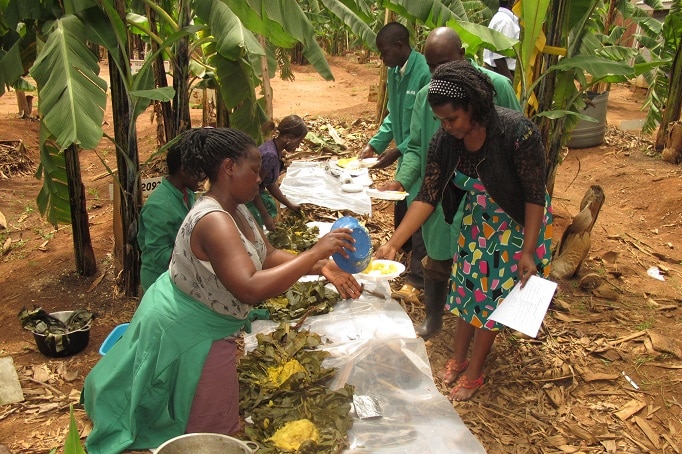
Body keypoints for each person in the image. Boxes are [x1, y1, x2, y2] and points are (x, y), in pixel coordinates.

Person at [82, 127, 363, 453]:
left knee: (206, 410)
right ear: (229, 167)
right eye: (255, 171)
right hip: (188, 327)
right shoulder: (214, 219)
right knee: (212, 428)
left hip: (205, 322)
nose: (260, 180)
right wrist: (315, 253)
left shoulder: (238, 208)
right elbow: (249, 288)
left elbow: (267, 255)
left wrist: (322, 266)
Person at [374, 60, 552, 401]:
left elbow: (533, 196)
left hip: (516, 223)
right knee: (467, 290)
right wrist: (395, 244)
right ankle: (458, 357)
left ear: (472, 105)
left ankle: (473, 374)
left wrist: (527, 250)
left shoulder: (516, 132)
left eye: (452, 118)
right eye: (441, 120)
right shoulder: (446, 140)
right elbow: (427, 196)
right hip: (477, 220)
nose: (446, 126)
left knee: (489, 302)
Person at [380, 27, 522, 339]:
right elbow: (418, 148)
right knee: (437, 256)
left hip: (488, 197)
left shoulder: (497, 86)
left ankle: (482, 325)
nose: (438, 73)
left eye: (444, 64)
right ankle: (434, 318)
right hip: (443, 191)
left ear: (462, 56)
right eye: (431, 67)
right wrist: (401, 181)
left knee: (482, 267)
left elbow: (517, 142)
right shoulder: (427, 97)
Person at [359, 22, 431, 303]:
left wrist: (397, 151)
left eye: (384, 52)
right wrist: (375, 144)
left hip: (422, 154)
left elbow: (422, 126)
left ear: (400, 46)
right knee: (402, 206)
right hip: (407, 154)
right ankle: (399, 252)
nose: (381, 58)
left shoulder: (424, 71)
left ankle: (417, 279)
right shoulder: (393, 71)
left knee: (421, 210)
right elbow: (393, 115)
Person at [137, 142, 203, 292]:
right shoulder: (159, 206)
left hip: (179, 273)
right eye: (197, 171)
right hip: (160, 280)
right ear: (184, 170)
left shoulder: (187, 193)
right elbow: (159, 254)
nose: (201, 176)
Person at [247, 115, 307, 232]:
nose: (298, 146)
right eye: (299, 142)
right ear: (289, 137)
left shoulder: (274, 148)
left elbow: (270, 183)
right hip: (248, 198)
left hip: (254, 194)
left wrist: (289, 204)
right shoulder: (271, 155)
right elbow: (253, 187)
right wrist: (265, 216)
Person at [483, 0, 520, 82]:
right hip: (500, 74)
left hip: (499, 73)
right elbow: (499, 58)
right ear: (511, 2)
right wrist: (511, 83)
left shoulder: (501, 17)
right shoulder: (506, 21)